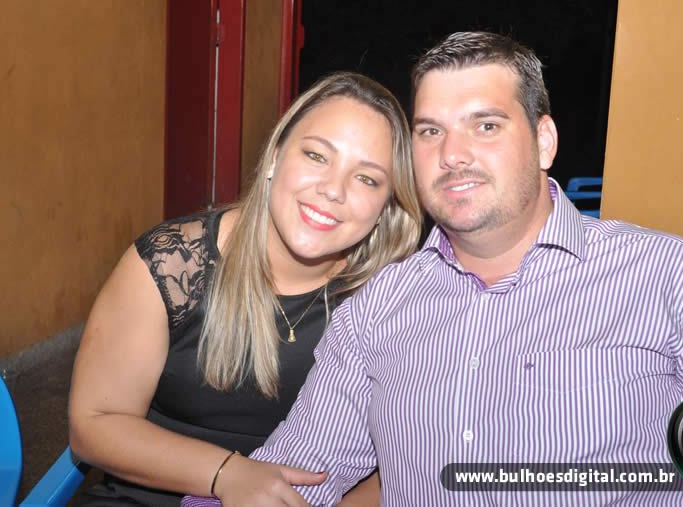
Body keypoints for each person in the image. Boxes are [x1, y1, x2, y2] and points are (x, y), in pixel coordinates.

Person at [183, 31, 683, 506]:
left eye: (486, 125)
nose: (453, 154)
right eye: (430, 131)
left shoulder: (680, 280)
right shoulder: (379, 307)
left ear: (544, 141)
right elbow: (293, 476)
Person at [67, 71, 422, 506]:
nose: (333, 190)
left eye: (367, 178)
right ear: (274, 156)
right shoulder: (173, 265)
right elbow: (94, 424)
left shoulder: (393, 301)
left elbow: (406, 459)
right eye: (316, 155)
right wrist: (226, 474)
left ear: (387, 205)